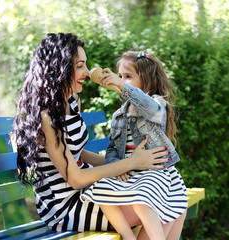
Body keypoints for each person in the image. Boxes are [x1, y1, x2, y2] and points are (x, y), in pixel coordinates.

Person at [13, 33, 170, 233]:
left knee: (171, 202)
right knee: (158, 209)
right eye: (80, 66)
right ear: (58, 69)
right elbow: (75, 178)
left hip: (87, 193)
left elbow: (78, 152)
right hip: (65, 207)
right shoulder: (46, 117)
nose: (87, 72)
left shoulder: (71, 101)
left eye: (85, 65)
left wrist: (125, 164)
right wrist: (131, 163)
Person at [80, 51, 188, 240]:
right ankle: (128, 236)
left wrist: (122, 85)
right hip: (130, 175)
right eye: (120, 76)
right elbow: (113, 146)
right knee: (100, 187)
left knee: (141, 198)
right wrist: (115, 167)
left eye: (128, 77)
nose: (121, 80)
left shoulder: (156, 105)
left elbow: (146, 104)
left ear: (146, 80)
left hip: (153, 173)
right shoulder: (119, 115)